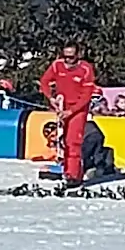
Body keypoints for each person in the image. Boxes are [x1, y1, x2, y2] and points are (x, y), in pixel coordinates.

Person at [38, 42, 98, 184]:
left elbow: (86, 95)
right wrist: (51, 98)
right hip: (62, 106)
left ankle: (73, 175)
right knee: (63, 141)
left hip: (77, 110)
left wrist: (71, 111)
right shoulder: (57, 65)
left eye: (71, 57)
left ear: (78, 55)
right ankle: (66, 169)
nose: (67, 60)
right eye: (65, 56)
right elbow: (44, 82)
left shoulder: (85, 69)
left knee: (73, 141)